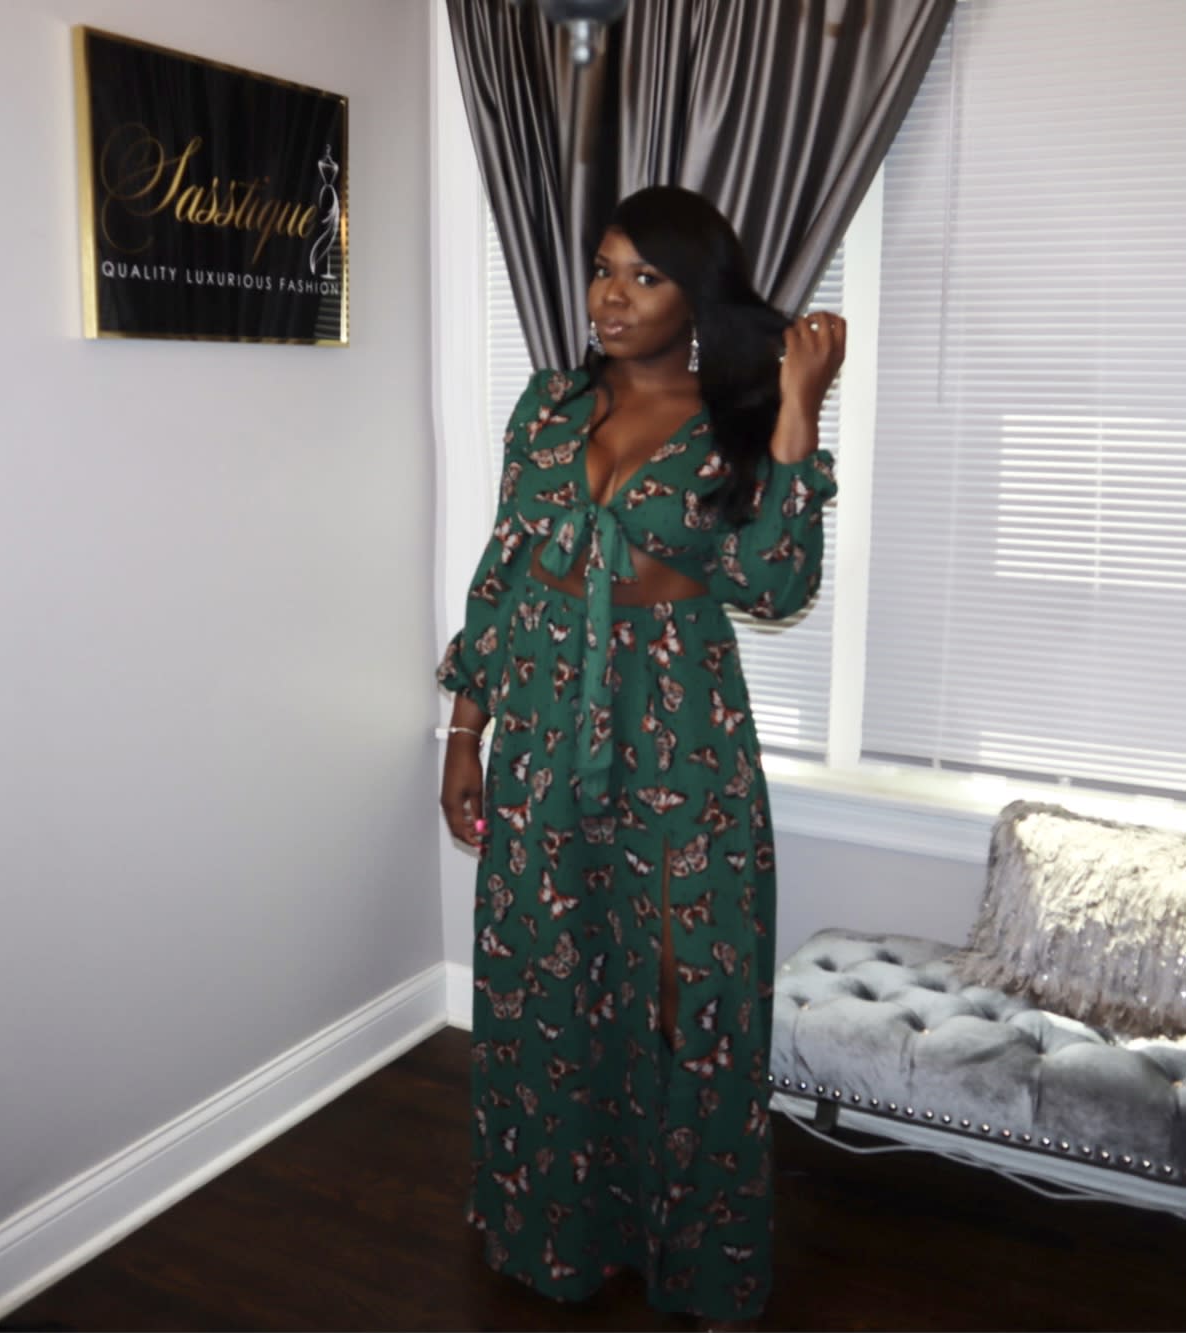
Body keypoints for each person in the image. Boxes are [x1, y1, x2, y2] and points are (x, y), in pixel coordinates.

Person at [437, 185, 843, 1327]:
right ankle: (558, 1230)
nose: (610, 298)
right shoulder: (548, 405)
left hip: (679, 735)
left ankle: (697, 1257)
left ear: (695, 295)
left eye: (643, 277)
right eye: (602, 270)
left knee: (684, 992)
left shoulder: (737, 417)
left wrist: (799, 409)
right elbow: (504, 570)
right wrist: (465, 729)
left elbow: (775, 585)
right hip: (541, 727)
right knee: (548, 973)